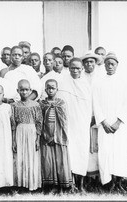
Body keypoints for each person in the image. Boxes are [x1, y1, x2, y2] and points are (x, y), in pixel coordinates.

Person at [92, 52, 127, 193]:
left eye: (112, 64)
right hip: (105, 125)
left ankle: (118, 182)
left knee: (119, 153)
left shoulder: (123, 82)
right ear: (104, 65)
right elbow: (96, 103)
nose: (110, 66)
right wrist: (103, 122)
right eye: (107, 63)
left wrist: (118, 122)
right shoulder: (98, 83)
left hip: (119, 126)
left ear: (117, 65)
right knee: (106, 153)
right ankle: (108, 182)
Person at [57, 58, 92, 192]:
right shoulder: (63, 82)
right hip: (68, 123)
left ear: (82, 69)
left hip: (81, 123)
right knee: (70, 152)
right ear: (69, 68)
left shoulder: (85, 84)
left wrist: (86, 121)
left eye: (78, 68)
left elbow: (89, 105)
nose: (75, 70)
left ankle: (81, 184)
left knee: (81, 151)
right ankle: (70, 184)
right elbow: (61, 103)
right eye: (72, 68)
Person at [39, 79, 72, 193]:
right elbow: (40, 120)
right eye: (49, 88)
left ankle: (62, 185)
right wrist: (47, 134)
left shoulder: (61, 103)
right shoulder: (42, 104)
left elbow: (64, 120)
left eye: (53, 88)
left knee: (60, 160)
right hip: (46, 135)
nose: (51, 90)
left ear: (57, 89)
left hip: (59, 134)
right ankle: (49, 185)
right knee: (47, 160)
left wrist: (56, 134)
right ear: (45, 89)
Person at [11, 79, 42, 191]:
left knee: (31, 157)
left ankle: (32, 184)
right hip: (19, 132)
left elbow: (39, 122)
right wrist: (14, 140)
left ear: (30, 91)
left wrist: (37, 139)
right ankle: (20, 184)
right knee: (20, 157)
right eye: (22, 90)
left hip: (32, 132)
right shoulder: (14, 105)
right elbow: (13, 124)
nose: (24, 92)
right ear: (18, 90)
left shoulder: (36, 105)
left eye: (26, 90)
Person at [80, 51, 103, 191]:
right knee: (86, 146)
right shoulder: (81, 77)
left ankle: (97, 178)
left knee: (97, 146)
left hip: (97, 115)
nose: (89, 64)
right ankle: (87, 178)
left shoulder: (100, 78)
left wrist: (97, 115)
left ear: (95, 63)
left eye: (92, 62)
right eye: (87, 62)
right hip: (84, 116)